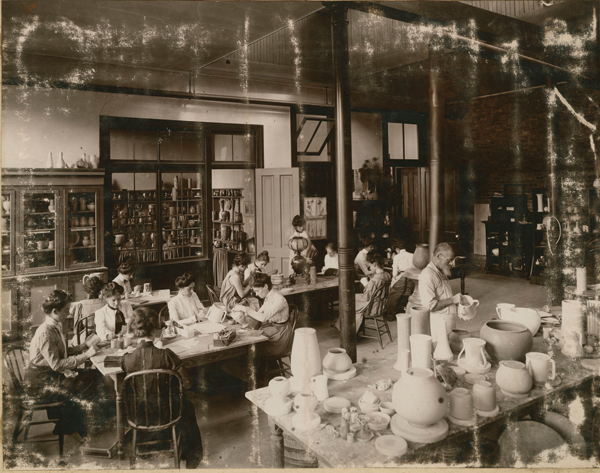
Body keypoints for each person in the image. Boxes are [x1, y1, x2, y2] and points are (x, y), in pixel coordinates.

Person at [121, 308, 203, 469]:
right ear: (155, 331)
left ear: (134, 332)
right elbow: (188, 383)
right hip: (168, 412)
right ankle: (191, 455)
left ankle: (145, 443)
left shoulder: (127, 359)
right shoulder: (166, 354)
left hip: (139, 414)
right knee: (187, 405)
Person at [27, 290, 114, 438]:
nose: (68, 314)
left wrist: (82, 346)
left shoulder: (54, 326)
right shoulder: (46, 333)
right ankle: (71, 424)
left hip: (50, 374)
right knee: (88, 381)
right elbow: (57, 364)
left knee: (94, 375)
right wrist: (86, 355)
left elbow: (60, 351)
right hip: (42, 381)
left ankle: (85, 420)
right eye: (66, 310)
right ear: (55, 311)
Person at [223, 273, 292, 383]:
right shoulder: (269, 297)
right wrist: (242, 317)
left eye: (257, 291)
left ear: (265, 286)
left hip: (281, 334)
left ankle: (253, 379)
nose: (256, 293)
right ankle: (254, 376)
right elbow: (259, 312)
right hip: (272, 328)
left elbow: (263, 317)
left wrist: (246, 310)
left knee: (251, 349)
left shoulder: (279, 300)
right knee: (248, 341)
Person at [419, 242, 464, 343]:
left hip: (448, 320)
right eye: (449, 260)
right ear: (439, 256)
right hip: (440, 323)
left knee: (450, 347)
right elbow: (431, 306)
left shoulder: (440, 271)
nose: (452, 264)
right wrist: (452, 300)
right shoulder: (428, 275)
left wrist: (458, 305)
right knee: (442, 351)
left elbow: (444, 295)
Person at [336, 252, 391, 333]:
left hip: (373, 307)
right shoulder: (387, 275)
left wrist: (365, 284)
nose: (369, 268)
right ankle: (349, 326)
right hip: (380, 304)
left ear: (375, 265)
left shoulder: (375, 279)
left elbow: (368, 296)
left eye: (370, 266)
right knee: (352, 297)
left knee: (347, 301)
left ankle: (347, 330)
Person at [385, 239, 415, 318]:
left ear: (397, 249)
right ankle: (403, 310)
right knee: (406, 294)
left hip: (402, 278)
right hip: (411, 279)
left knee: (393, 291)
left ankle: (391, 313)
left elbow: (394, 274)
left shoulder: (397, 257)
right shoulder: (412, 255)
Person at [70, 275, 105, 344]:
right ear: (100, 290)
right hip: (103, 335)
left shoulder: (80, 305)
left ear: (86, 290)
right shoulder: (106, 303)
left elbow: (76, 330)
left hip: (87, 338)